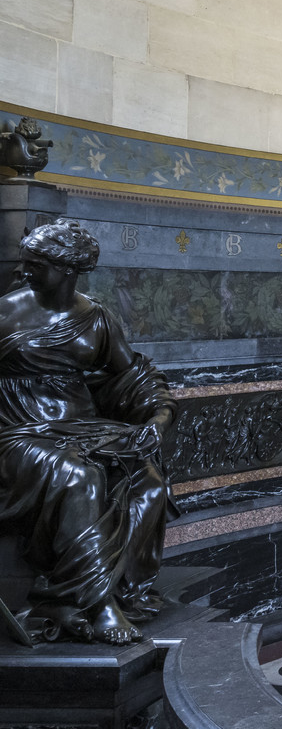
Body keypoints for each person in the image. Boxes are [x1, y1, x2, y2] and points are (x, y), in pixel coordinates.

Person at [0, 219, 175, 645]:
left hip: (84, 426)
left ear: (67, 268)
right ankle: (99, 605)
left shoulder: (95, 316)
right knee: (80, 476)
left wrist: (157, 421)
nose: (24, 271)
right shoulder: (4, 311)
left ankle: (90, 593)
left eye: (35, 264)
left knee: (147, 482)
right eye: (24, 262)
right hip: (20, 430)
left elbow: (136, 378)